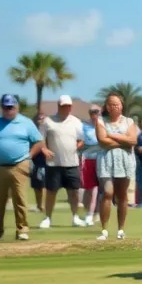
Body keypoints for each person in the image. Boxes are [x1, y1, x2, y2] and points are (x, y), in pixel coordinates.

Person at [0, 94, 43, 242]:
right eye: (5, 107)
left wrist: (29, 156)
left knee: (20, 199)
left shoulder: (26, 123)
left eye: (11, 107)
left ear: (16, 107)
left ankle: (22, 230)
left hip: (20, 165)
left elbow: (39, 142)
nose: (8, 110)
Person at [94, 92, 137, 241]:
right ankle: (104, 230)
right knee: (107, 192)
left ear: (121, 106)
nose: (114, 107)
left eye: (117, 104)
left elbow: (133, 140)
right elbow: (102, 140)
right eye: (111, 104)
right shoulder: (101, 120)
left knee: (122, 195)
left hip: (125, 161)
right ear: (107, 106)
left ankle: (121, 229)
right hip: (107, 160)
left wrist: (111, 135)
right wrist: (123, 140)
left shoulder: (129, 121)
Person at [38, 94, 85, 228]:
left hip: (72, 163)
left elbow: (81, 140)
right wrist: (45, 150)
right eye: (64, 106)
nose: (66, 108)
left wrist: (77, 145)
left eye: (68, 106)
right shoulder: (48, 121)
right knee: (51, 192)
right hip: (54, 163)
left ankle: (75, 217)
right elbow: (40, 139)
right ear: (59, 106)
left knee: (74, 192)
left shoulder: (76, 121)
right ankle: (47, 218)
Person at [80, 105, 102, 226]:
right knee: (89, 189)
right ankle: (92, 212)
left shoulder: (104, 126)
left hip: (102, 159)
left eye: (97, 112)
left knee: (96, 189)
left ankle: (91, 214)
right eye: (92, 112)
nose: (95, 114)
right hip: (88, 159)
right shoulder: (83, 126)